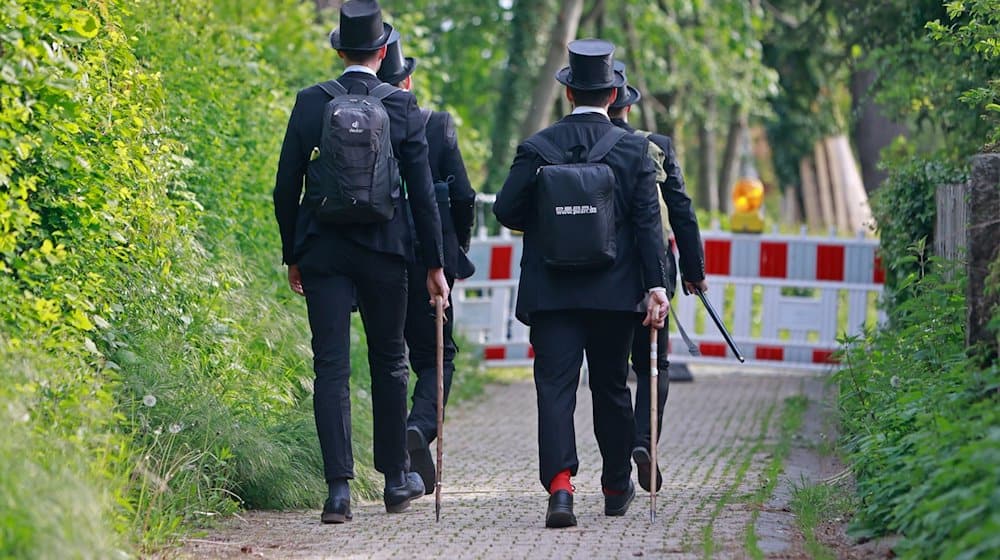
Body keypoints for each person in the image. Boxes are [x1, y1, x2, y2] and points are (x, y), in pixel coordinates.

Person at [272, 0, 449, 524]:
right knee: (390, 362)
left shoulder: (310, 102)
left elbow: (285, 186)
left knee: (330, 366)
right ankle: (395, 480)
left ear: (341, 49)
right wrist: (434, 265)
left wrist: (293, 253)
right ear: (381, 51)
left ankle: (338, 493)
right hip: (385, 251)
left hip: (323, 250)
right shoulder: (401, 106)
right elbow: (423, 196)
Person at [493, 39, 669, 529]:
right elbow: (649, 224)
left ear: (568, 94)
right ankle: (615, 484)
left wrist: (548, 217)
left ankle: (561, 489)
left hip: (552, 295)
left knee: (554, 389)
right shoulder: (635, 149)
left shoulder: (537, 147)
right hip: (614, 296)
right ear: (614, 97)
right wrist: (657, 287)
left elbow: (506, 210)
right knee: (612, 387)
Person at [376, 37, 477, 492]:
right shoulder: (435, 125)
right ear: (408, 81)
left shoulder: (359, 117)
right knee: (439, 356)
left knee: (390, 356)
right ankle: (420, 425)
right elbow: (465, 196)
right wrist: (456, 247)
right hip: (430, 262)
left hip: (377, 256)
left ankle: (400, 457)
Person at [607, 63, 707, 494]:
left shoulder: (583, 143)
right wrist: (694, 271)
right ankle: (645, 442)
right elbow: (680, 209)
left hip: (603, 270)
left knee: (610, 371)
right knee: (653, 362)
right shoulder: (655, 147)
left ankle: (621, 460)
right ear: (627, 104)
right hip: (655, 269)